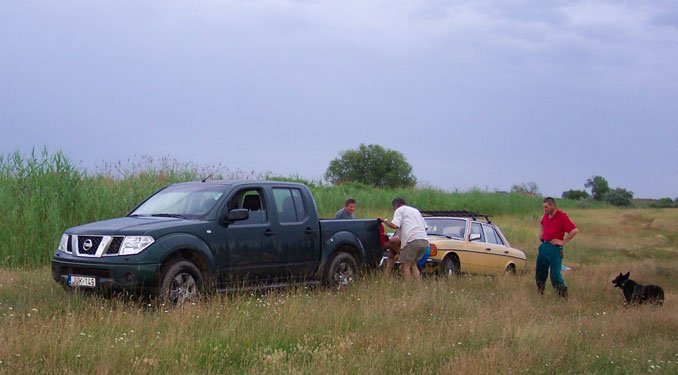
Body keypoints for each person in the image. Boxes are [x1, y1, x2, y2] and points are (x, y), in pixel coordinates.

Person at [537, 197, 579, 298]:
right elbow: (542, 223)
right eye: (543, 207)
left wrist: (563, 242)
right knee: (540, 272)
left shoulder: (562, 216)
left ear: (553, 206)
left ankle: (563, 295)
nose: (545, 209)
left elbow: (574, 230)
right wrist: (541, 233)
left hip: (554, 248)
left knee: (555, 275)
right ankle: (540, 293)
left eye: (546, 207)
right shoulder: (546, 215)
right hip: (544, 246)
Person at [379, 198, 428, 280]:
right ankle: (418, 286)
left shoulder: (399, 210)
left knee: (405, 266)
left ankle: (408, 287)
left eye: (393, 208)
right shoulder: (415, 211)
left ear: (395, 205)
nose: (394, 209)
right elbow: (425, 228)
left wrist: (384, 220)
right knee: (413, 264)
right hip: (424, 241)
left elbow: (394, 225)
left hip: (412, 241)